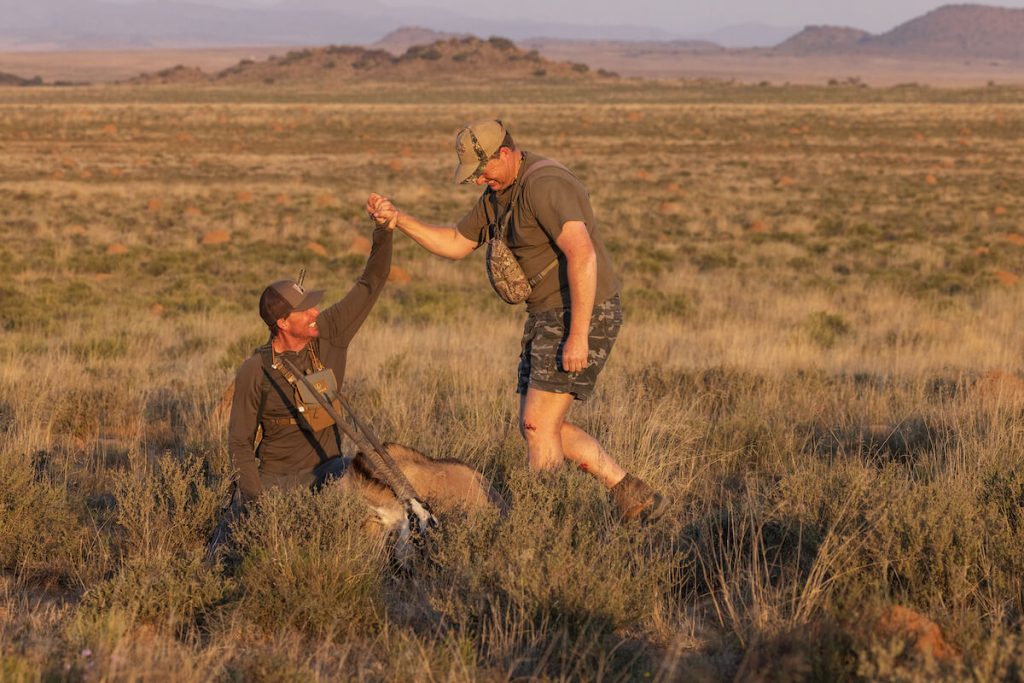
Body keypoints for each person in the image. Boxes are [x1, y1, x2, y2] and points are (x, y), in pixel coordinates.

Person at [366, 119, 666, 522]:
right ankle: (632, 492)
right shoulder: (498, 194)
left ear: (504, 154)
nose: (478, 181)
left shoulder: (545, 186)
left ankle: (546, 524)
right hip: (546, 316)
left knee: (537, 426)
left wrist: (578, 335)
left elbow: (583, 254)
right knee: (541, 427)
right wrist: (398, 220)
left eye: (482, 170)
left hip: (580, 312)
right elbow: (456, 244)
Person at [227, 219, 392, 503]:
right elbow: (240, 444)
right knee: (230, 538)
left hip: (331, 472)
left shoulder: (331, 332)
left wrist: (384, 231)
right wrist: (255, 501)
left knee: (376, 483)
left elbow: (371, 283)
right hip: (276, 480)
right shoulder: (255, 369)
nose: (315, 312)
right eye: (304, 310)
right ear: (282, 322)